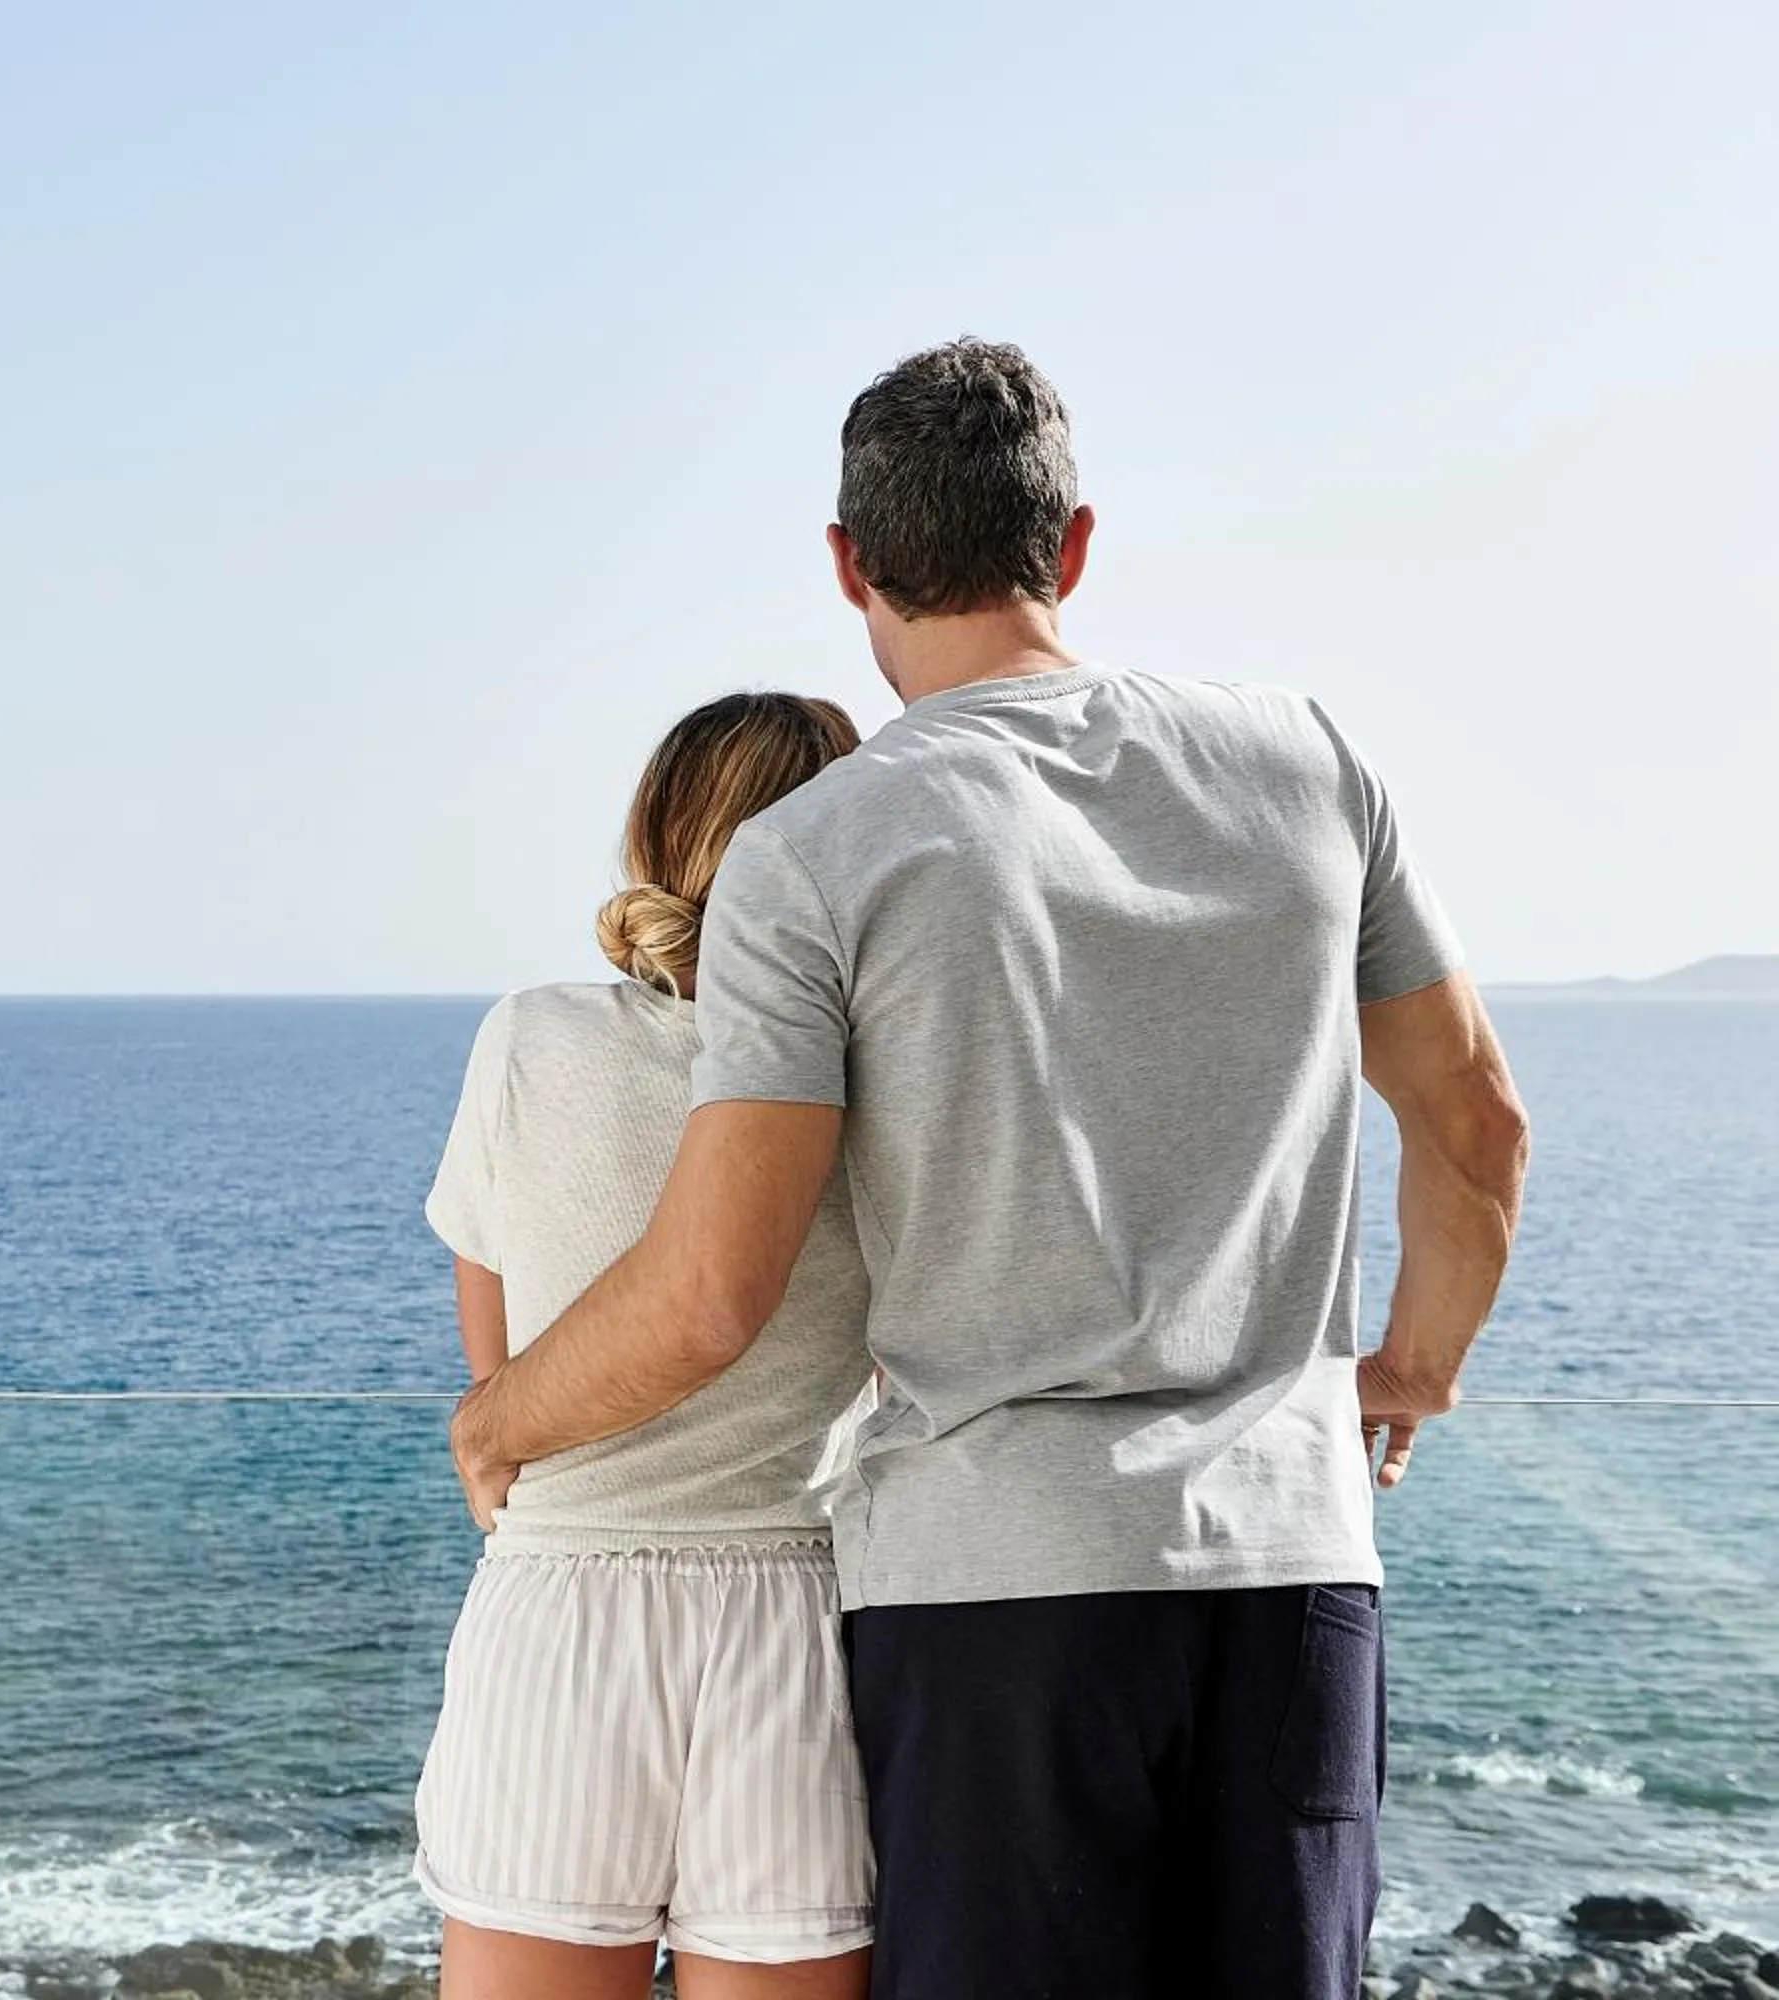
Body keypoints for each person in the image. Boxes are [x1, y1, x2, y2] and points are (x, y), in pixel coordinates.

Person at [446, 340, 1531, 2000]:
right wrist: (1411, 1374)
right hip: (1293, 1560)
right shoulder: (1310, 762)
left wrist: (499, 1418)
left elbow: (715, 1289)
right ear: (1074, 545)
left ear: (849, 566)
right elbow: (1477, 1125)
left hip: (995, 1601)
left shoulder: (821, 850)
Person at [417, 693, 880, 2000]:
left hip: (559, 1613)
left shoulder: (530, 1037)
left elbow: (503, 1373)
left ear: (655, 836)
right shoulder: (871, 1072)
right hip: (797, 1627)